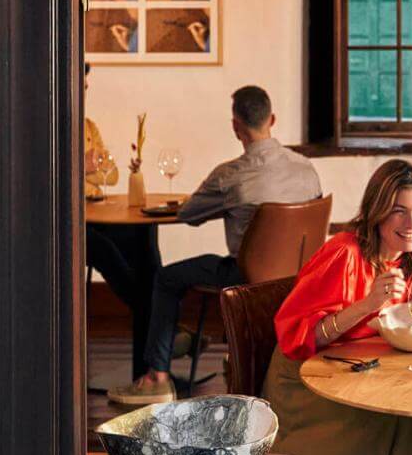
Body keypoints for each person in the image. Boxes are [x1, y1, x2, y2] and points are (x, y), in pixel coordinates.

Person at [265, 160, 412, 455]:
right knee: (395, 422)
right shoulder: (344, 254)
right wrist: (367, 303)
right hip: (310, 383)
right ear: (377, 212)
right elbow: (299, 336)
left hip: (370, 375)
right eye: (399, 212)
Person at [108, 86, 321, 405]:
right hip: (300, 278)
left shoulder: (230, 176)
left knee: (165, 279)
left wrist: (228, 205)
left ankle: (157, 378)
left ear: (236, 127)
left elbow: (190, 214)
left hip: (248, 279)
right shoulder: (306, 168)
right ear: (272, 119)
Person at [84, 63, 161, 386]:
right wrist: (86, 163)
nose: (84, 91)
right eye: (81, 84)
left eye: (86, 86)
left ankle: (150, 362)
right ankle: (162, 327)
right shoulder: (52, 124)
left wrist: (89, 164)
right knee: (109, 255)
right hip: (70, 225)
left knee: (144, 241)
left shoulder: (88, 124)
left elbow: (111, 173)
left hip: (95, 211)